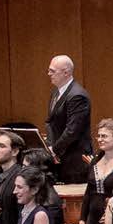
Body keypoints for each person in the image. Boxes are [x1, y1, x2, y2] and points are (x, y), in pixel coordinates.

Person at [44, 55, 92, 183]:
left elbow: (72, 130)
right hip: (59, 158)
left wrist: (54, 150)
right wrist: (50, 145)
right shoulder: (55, 92)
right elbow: (50, 122)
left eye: (52, 71)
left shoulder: (77, 96)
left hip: (74, 161)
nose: (49, 74)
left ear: (66, 72)